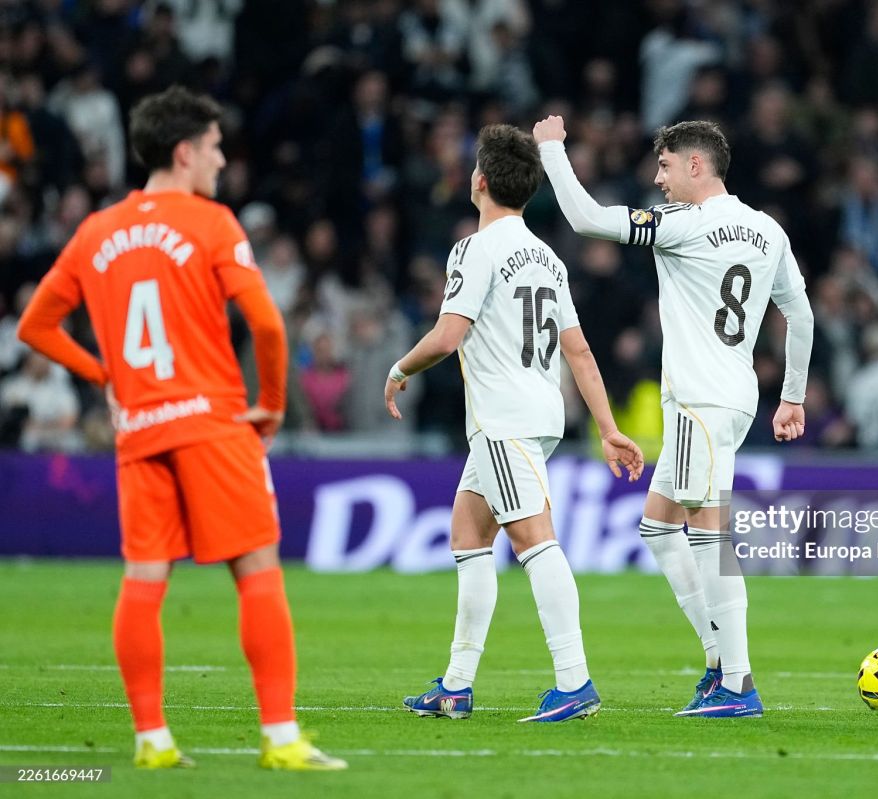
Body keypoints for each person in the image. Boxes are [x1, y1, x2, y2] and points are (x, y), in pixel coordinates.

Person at [16, 86, 346, 770]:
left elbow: (36, 325)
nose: (223, 161)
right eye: (216, 148)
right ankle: (281, 738)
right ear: (184, 151)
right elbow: (267, 324)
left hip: (140, 428)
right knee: (257, 573)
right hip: (213, 420)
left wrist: (107, 375)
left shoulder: (96, 231)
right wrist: (272, 403)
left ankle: (152, 740)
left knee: (143, 579)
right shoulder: (211, 222)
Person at [533, 115, 815, 718]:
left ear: (695, 164)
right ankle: (717, 661)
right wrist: (792, 396)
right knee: (659, 528)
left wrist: (552, 150)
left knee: (710, 535)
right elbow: (801, 314)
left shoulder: (683, 224)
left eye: (664, 166)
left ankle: (737, 683)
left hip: (697, 399)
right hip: (735, 395)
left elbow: (585, 219)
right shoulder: (768, 229)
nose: (657, 179)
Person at [384, 124, 644, 723]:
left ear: (478, 181)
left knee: (535, 541)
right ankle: (456, 685)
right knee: (468, 536)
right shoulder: (549, 257)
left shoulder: (475, 249)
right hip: (538, 413)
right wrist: (606, 427)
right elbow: (578, 351)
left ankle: (574, 681)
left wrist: (399, 370)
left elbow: (447, 336)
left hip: (504, 419)